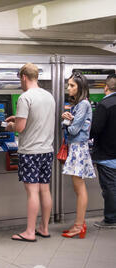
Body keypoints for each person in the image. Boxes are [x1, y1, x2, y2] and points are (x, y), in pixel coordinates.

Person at [5, 63, 55, 242]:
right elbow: (38, 120)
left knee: (32, 192)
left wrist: (11, 125)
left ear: (23, 77)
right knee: (45, 189)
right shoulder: (49, 96)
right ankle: (45, 228)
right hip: (47, 150)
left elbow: (20, 127)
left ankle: (29, 232)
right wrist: (18, 118)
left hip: (30, 152)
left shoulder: (25, 97)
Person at [61, 72, 96, 238]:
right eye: (69, 85)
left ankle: (79, 226)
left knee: (79, 188)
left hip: (78, 148)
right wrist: (67, 119)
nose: (69, 88)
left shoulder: (83, 105)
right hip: (78, 147)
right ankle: (78, 225)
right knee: (79, 187)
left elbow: (73, 129)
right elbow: (70, 125)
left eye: (72, 85)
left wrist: (67, 121)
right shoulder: (81, 104)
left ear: (80, 87)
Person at [90, 73, 116, 229]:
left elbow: (95, 129)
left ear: (106, 87)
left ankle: (111, 219)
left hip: (107, 155)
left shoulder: (104, 105)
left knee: (110, 188)